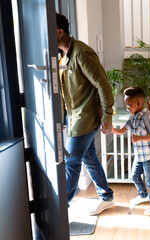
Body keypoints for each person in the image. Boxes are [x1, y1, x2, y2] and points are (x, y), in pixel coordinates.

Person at [56, 13, 115, 215]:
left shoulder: (82, 53)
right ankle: (106, 196)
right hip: (75, 118)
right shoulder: (62, 57)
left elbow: (103, 85)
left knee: (72, 162)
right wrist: (64, 117)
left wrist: (108, 116)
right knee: (89, 158)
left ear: (59, 32)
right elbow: (67, 92)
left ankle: (61, 209)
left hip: (86, 118)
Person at [111, 86, 150, 216]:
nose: (127, 108)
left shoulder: (149, 117)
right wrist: (109, 129)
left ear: (139, 103)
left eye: (128, 105)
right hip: (140, 155)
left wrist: (140, 138)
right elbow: (122, 131)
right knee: (134, 176)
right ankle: (143, 195)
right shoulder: (132, 118)